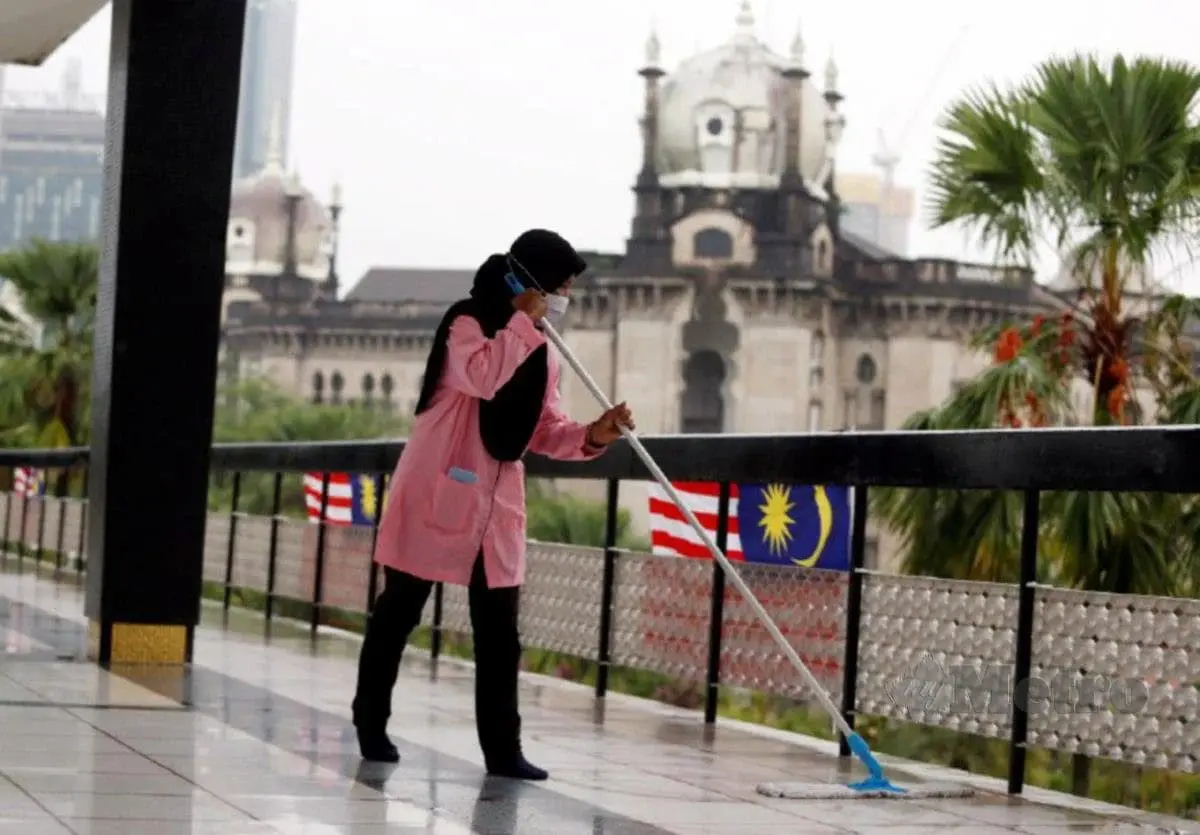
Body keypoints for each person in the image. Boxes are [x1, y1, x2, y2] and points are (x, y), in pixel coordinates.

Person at [351, 228, 635, 781]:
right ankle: (371, 721)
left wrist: (594, 435)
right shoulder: (468, 324)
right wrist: (522, 324)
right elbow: (482, 377)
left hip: (495, 505)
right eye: (559, 285)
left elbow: (544, 429)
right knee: (399, 612)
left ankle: (503, 749)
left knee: (500, 634)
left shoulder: (540, 348)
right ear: (527, 281)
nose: (564, 296)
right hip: (438, 491)